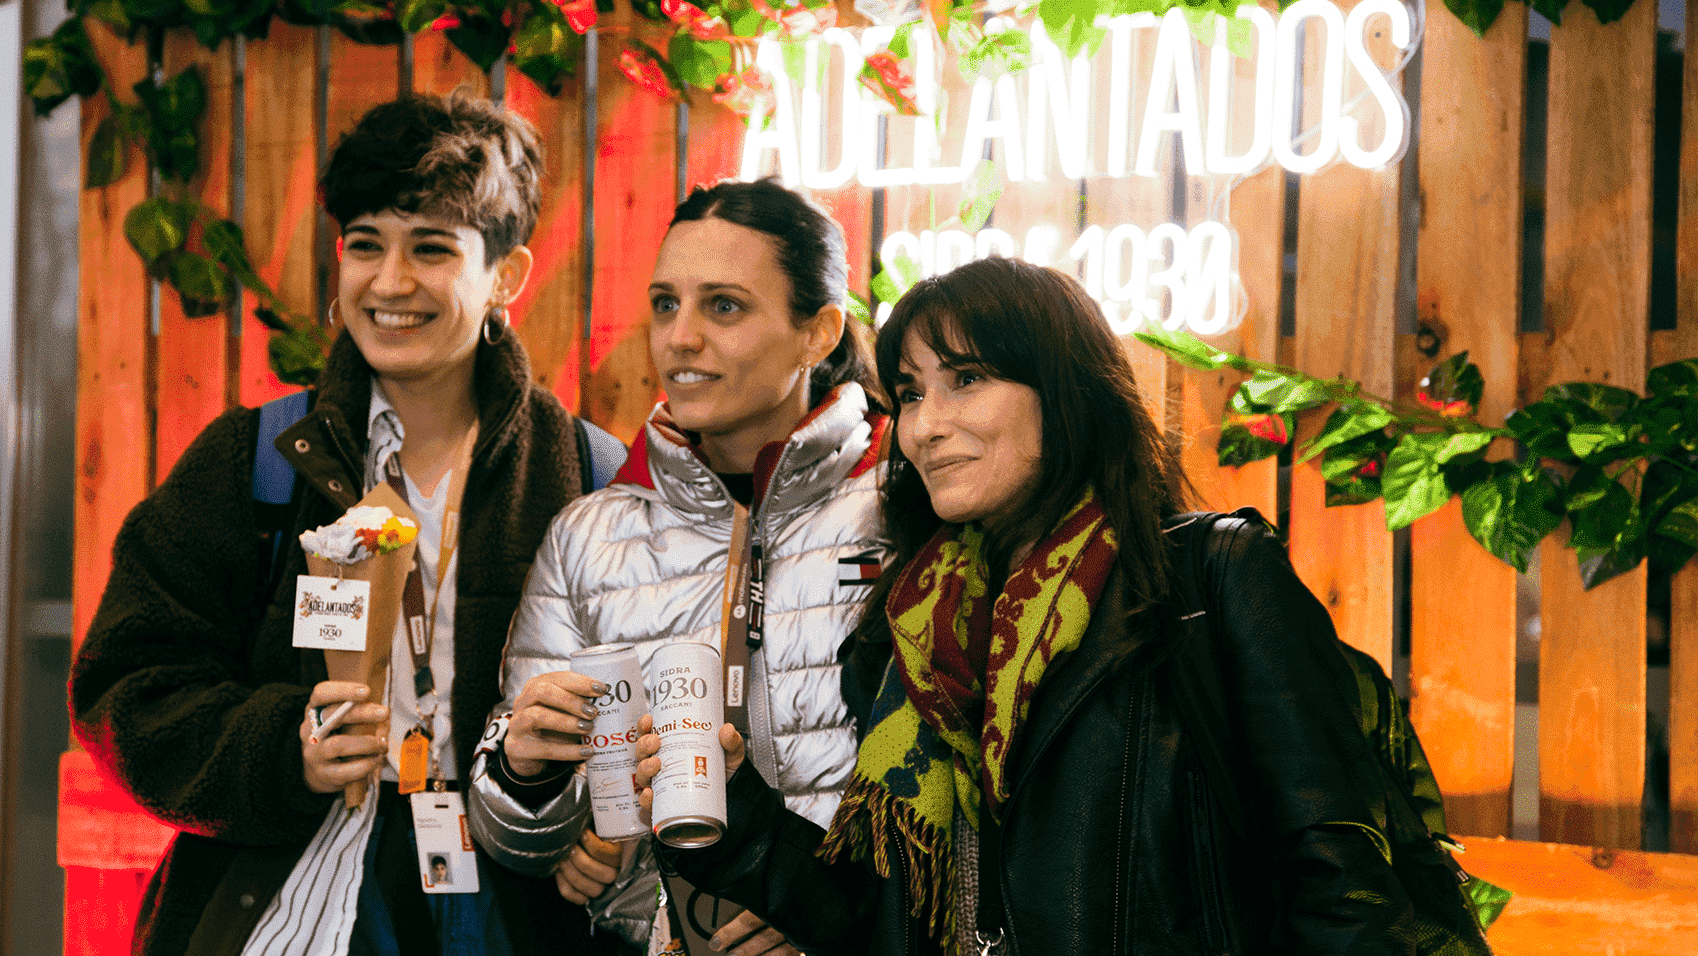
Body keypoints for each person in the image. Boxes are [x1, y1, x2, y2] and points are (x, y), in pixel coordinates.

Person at [638, 256, 1419, 955]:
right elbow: (877, 921)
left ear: (1065, 388)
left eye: (967, 379)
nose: (926, 426)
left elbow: (1343, 889)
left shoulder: (1209, 583)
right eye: (910, 393)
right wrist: (734, 810)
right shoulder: (909, 631)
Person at [70, 92, 622, 956]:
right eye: (366, 244)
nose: (390, 283)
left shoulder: (587, 477)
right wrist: (282, 747)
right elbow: (124, 687)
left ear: (506, 276)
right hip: (282, 897)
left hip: (511, 903)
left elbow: (645, 714)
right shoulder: (253, 461)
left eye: (431, 248)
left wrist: (609, 828)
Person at [465, 178, 889, 955]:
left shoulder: (904, 510)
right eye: (666, 304)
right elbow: (513, 835)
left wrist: (826, 918)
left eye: (723, 306)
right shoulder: (591, 535)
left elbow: (957, 809)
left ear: (819, 332)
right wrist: (529, 782)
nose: (680, 338)